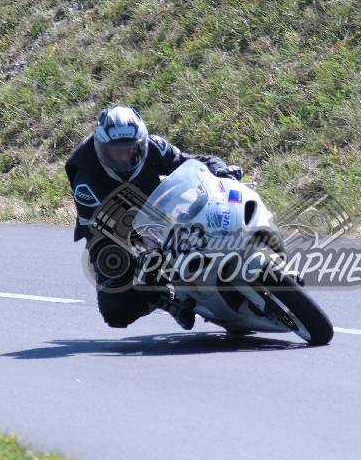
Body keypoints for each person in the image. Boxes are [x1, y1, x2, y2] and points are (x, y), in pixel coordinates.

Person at [65, 105, 243, 330]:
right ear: (101, 149)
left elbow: (191, 162)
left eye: (130, 149)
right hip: (113, 233)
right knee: (116, 311)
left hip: (160, 206)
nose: (124, 157)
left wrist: (221, 169)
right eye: (115, 152)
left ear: (141, 142)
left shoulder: (154, 146)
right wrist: (146, 251)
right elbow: (100, 235)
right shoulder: (86, 183)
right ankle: (165, 300)